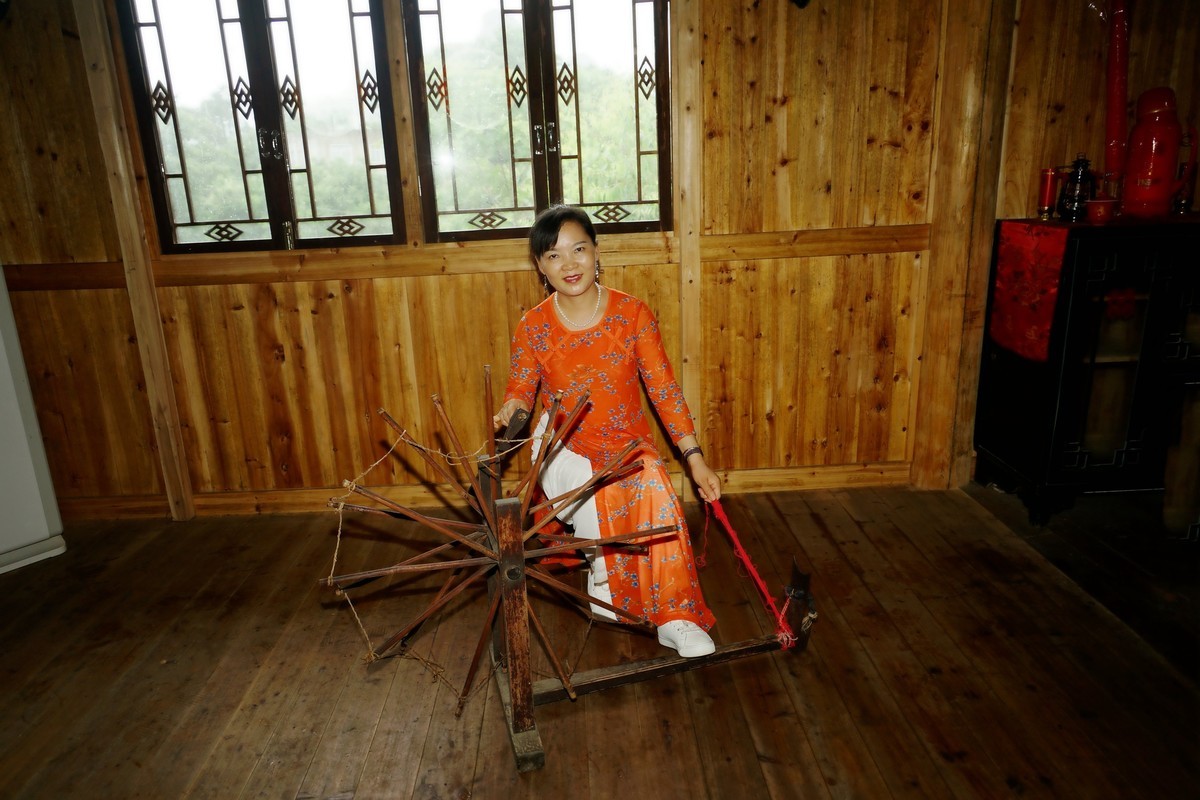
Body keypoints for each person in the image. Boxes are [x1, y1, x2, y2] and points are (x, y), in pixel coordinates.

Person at [493, 205, 720, 658]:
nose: (570, 264)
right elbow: (520, 388)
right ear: (540, 265)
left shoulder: (632, 314)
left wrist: (695, 459)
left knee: (655, 487)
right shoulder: (533, 326)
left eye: (579, 249)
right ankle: (608, 585)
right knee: (597, 493)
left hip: (628, 446)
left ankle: (677, 618)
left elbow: (664, 390)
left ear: (597, 252)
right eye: (554, 256)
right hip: (564, 447)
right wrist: (512, 409)